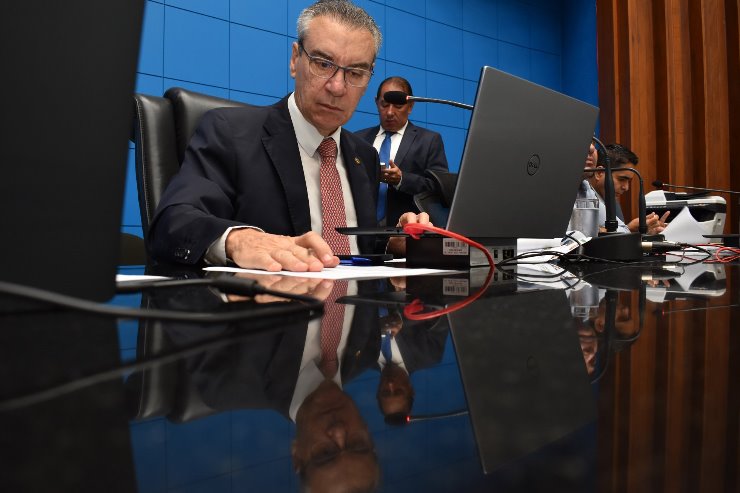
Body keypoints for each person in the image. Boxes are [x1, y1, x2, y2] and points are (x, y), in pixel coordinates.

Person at [147, 0, 428, 273]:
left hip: (356, 301)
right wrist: (238, 240)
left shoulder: (365, 156)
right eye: (323, 64)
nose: (337, 87)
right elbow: (173, 222)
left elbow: (358, 246)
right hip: (267, 302)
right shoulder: (229, 133)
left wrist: (393, 241)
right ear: (295, 60)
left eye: (355, 72)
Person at [355, 76, 449, 225]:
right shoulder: (358, 139)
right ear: (376, 102)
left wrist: (402, 180)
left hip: (406, 230)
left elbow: (439, 190)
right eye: (384, 104)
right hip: (361, 228)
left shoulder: (429, 140)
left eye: (398, 106)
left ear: (410, 106)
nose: (389, 112)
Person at [588, 143, 669, 235]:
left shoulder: (612, 201)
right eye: (621, 179)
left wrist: (644, 233)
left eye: (629, 181)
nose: (626, 188)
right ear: (599, 173)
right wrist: (629, 229)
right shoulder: (582, 197)